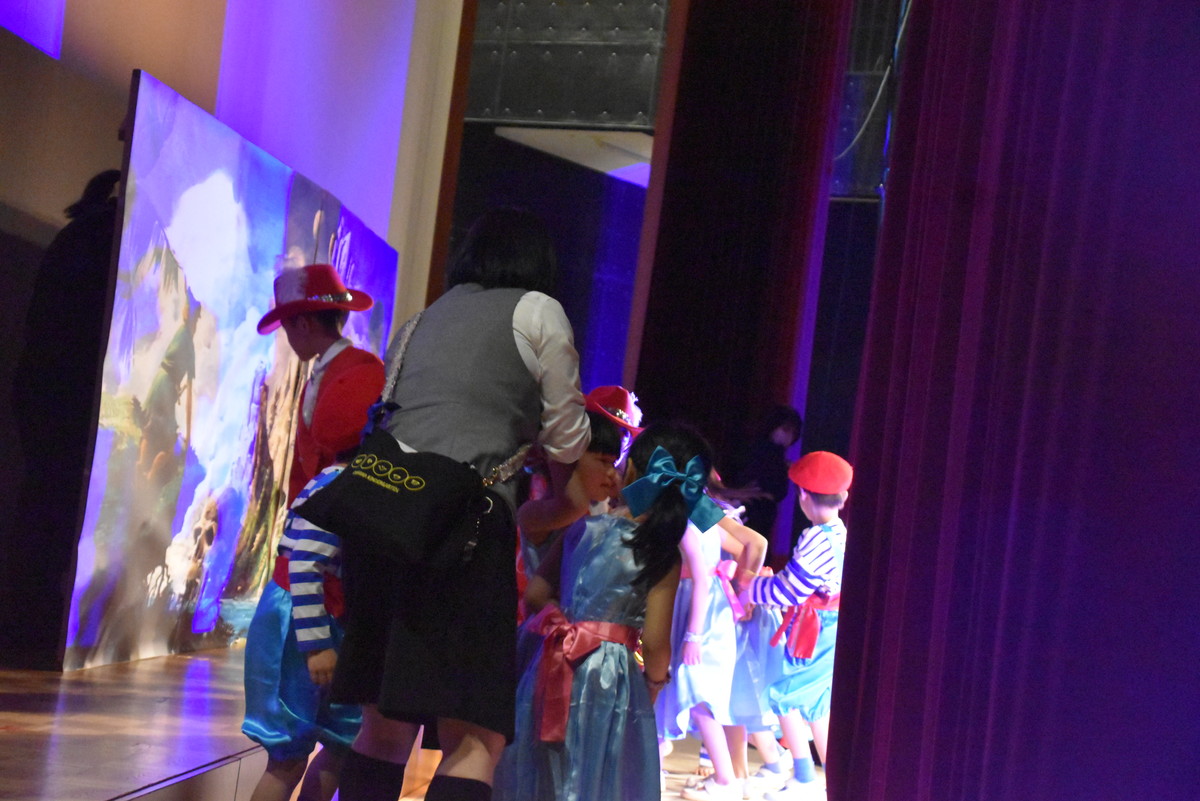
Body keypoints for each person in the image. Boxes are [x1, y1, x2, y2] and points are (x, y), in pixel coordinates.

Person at [330, 208, 590, 801]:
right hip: (463, 533)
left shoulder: (420, 320)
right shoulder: (537, 310)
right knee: (474, 737)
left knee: (383, 727)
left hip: (383, 523)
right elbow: (568, 438)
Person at [493, 421, 725, 801]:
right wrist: (653, 686)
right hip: (611, 679)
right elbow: (655, 644)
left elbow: (535, 595)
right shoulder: (662, 553)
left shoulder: (581, 529)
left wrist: (567, 626)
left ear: (630, 470)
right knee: (598, 770)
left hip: (550, 661)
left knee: (541, 764)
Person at [246, 263, 383, 799]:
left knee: (334, 744)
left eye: (288, 325)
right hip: (315, 595)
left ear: (304, 322)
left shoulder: (350, 374)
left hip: (329, 594)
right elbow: (307, 559)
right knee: (298, 750)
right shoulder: (340, 375)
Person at [241, 460, 362, 801]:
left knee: (342, 744)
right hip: (304, 617)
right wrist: (316, 644)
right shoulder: (343, 482)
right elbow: (305, 563)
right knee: (288, 756)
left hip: (341, 621)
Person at [738, 451, 853, 800]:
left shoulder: (817, 537)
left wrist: (750, 587)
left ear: (803, 495)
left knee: (784, 694)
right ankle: (831, 783)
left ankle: (805, 777)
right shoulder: (840, 532)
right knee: (816, 706)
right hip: (828, 626)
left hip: (817, 629)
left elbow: (789, 590)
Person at [256, 263, 385, 504]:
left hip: (344, 511)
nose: (288, 339)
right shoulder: (314, 383)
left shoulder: (364, 370)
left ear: (303, 325)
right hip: (314, 515)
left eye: (287, 329)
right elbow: (301, 468)